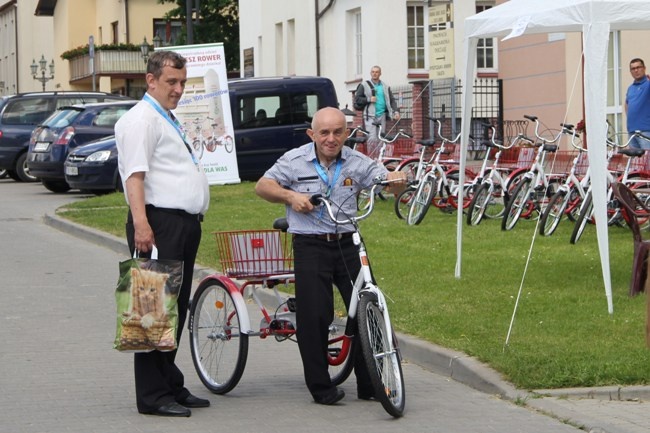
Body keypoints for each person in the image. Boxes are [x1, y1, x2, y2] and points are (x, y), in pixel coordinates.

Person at [254, 107, 406, 405]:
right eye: (324, 132)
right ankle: (321, 387)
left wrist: (396, 180)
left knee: (368, 307)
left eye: (338, 132)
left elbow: (386, 180)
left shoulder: (357, 162)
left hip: (347, 242)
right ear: (313, 134)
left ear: (346, 134)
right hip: (310, 244)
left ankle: (369, 383)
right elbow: (263, 185)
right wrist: (291, 196)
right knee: (315, 315)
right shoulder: (294, 160)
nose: (331, 138)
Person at [115, 50, 210, 417]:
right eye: (172, 82)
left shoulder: (164, 117)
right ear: (150, 79)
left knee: (175, 308)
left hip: (180, 224)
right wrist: (142, 224)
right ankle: (152, 396)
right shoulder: (141, 120)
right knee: (152, 310)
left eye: (183, 82)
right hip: (157, 223)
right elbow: (134, 175)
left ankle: (170, 382)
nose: (179, 89)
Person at [353, 65, 401, 157]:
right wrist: (368, 99)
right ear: (371, 73)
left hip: (382, 115)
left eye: (377, 72)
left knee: (381, 138)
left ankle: (379, 159)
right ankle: (372, 159)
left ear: (380, 73)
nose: (375, 74)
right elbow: (357, 99)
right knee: (372, 138)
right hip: (370, 116)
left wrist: (396, 112)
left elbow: (392, 100)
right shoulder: (364, 85)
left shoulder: (385, 86)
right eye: (373, 72)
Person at [625, 58, 650, 149]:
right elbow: (627, 104)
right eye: (633, 68)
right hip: (632, 132)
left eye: (638, 67)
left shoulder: (648, 84)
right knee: (635, 162)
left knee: (647, 161)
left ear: (644, 68)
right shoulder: (630, 88)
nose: (636, 70)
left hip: (646, 131)